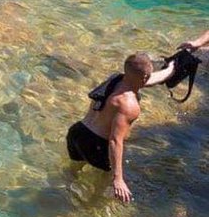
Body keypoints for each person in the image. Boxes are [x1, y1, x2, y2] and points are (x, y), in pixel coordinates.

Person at [66, 52, 175, 202]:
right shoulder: (129, 105)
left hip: (77, 133)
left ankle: (66, 193)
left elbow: (144, 79)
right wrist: (118, 178)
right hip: (96, 145)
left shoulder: (115, 79)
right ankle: (91, 207)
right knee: (102, 188)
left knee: (73, 172)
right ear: (144, 78)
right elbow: (115, 140)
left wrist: (171, 69)